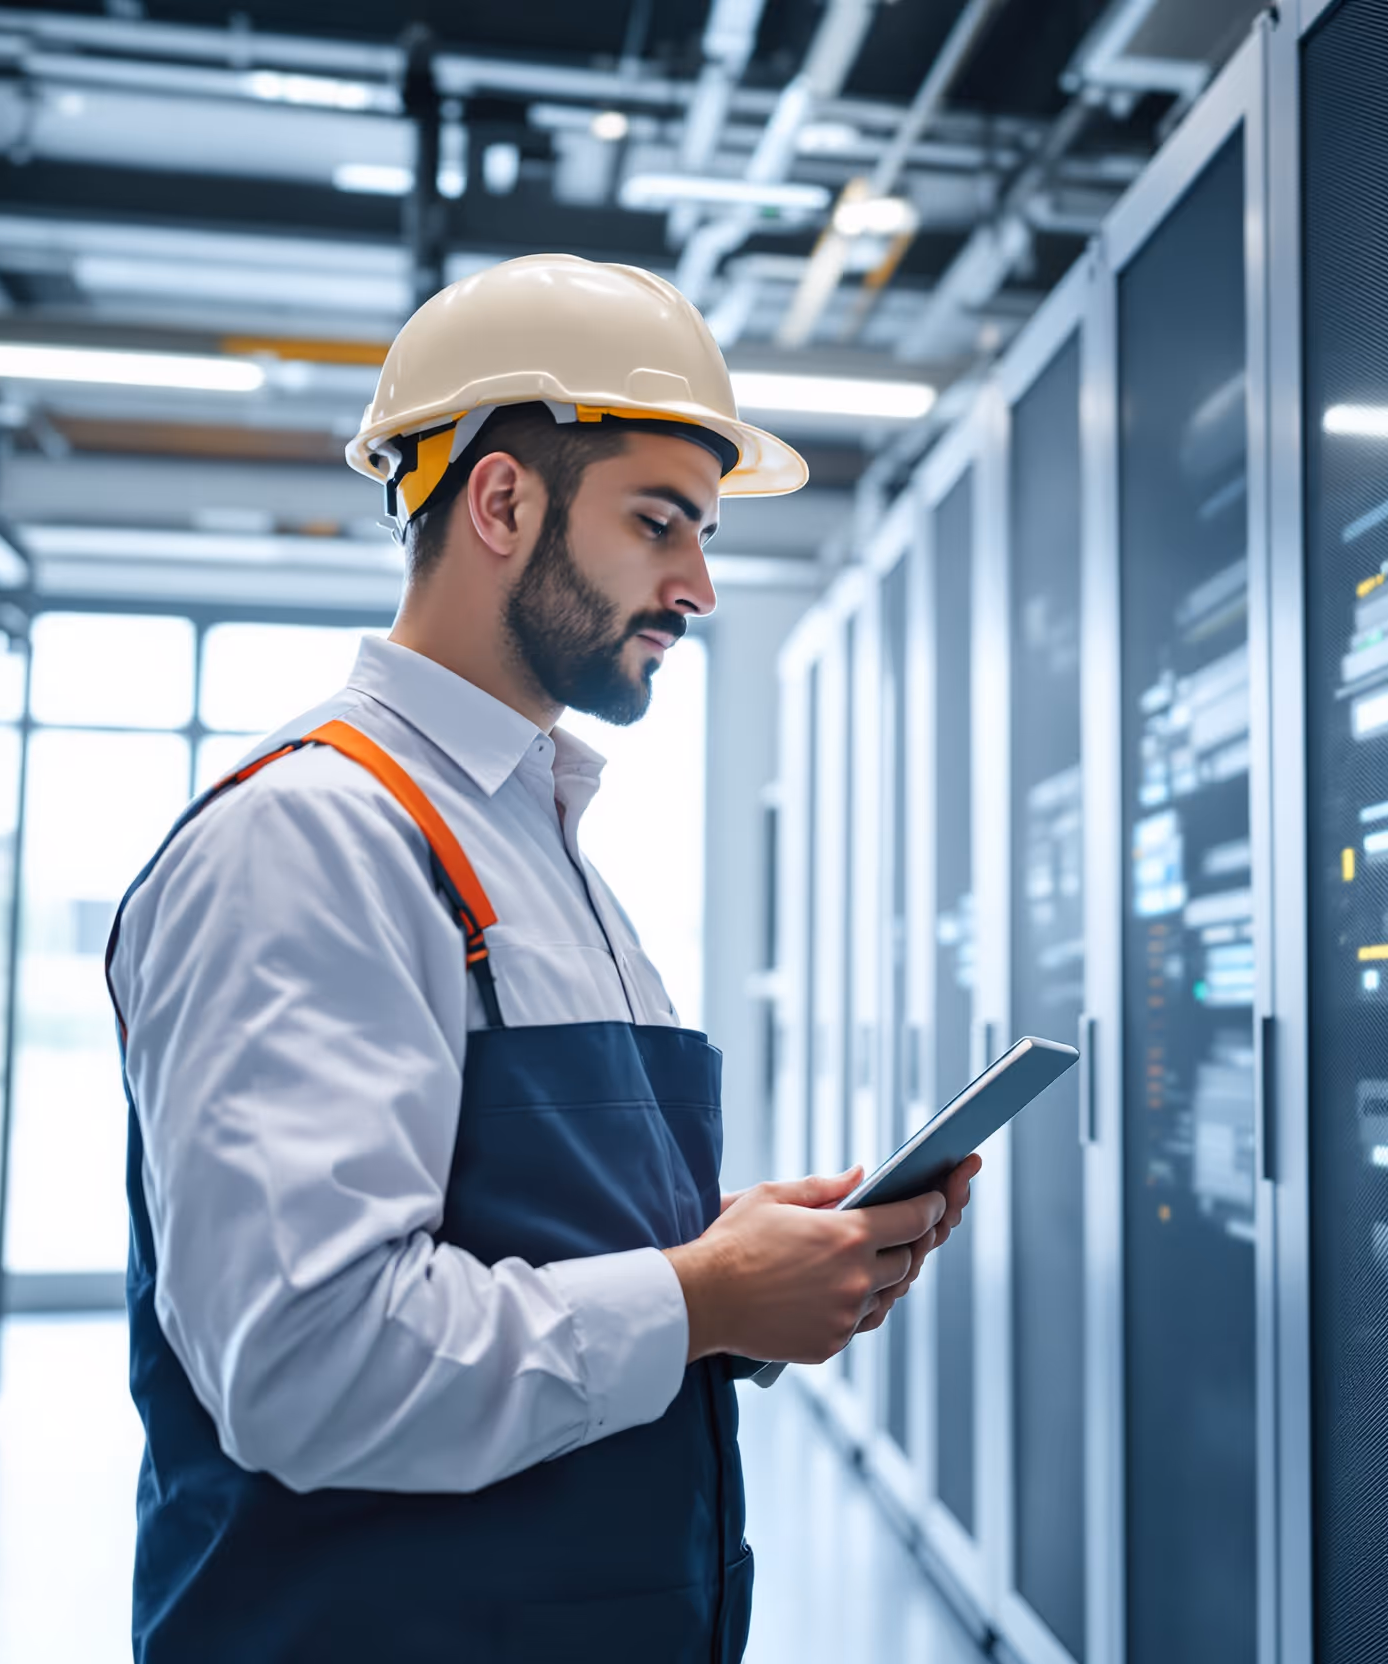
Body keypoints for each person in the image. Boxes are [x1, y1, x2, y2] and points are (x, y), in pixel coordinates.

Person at [104, 252, 975, 1662]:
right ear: (502, 500)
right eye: (660, 523)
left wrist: (748, 1279)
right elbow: (308, 1368)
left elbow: (538, 1245)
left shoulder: (542, 844)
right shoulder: (313, 839)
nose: (697, 584)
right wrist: (697, 1295)